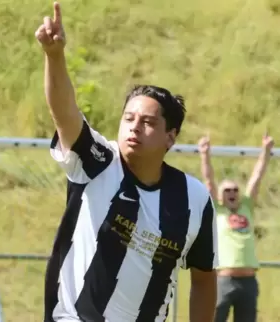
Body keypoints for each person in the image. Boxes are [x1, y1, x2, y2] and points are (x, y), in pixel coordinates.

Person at [35, 3, 218, 322]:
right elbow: (65, 113)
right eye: (128, 118)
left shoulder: (195, 198)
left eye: (147, 122)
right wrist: (54, 56)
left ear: (170, 137)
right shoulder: (99, 162)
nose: (134, 126)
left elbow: (203, 278)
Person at [198, 134, 274, 322]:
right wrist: (204, 154)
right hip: (224, 280)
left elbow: (257, 178)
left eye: (235, 190)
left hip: (248, 281)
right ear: (221, 196)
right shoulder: (218, 211)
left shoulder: (246, 207)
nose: (232, 193)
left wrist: (266, 150)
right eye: (227, 190)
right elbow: (209, 181)